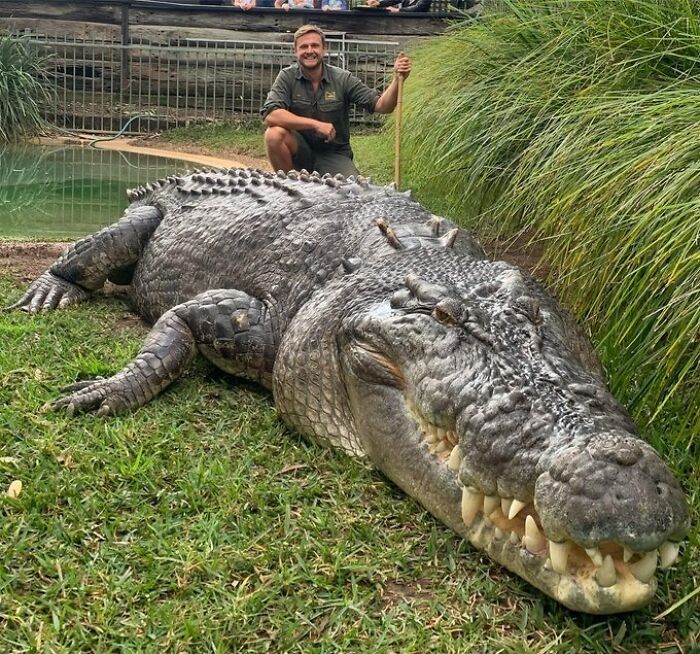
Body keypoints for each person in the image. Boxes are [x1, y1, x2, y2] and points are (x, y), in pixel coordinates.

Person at [261, 24, 411, 177]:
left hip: (334, 153)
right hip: (300, 150)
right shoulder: (287, 76)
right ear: (296, 51)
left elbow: (382, 106)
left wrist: (396, 81)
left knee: (353, 191)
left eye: (315, 45)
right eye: (304, 46)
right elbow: (270, 115)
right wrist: (316, 124)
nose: (310, 51)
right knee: (273, 134)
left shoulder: (342, 78)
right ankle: (288, 186)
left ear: (324, 49)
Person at [365, 0, 431, 11]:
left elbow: (418, 8)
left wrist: (398, 10)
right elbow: (393, 0)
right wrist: (378, 3)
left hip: (419, 23)